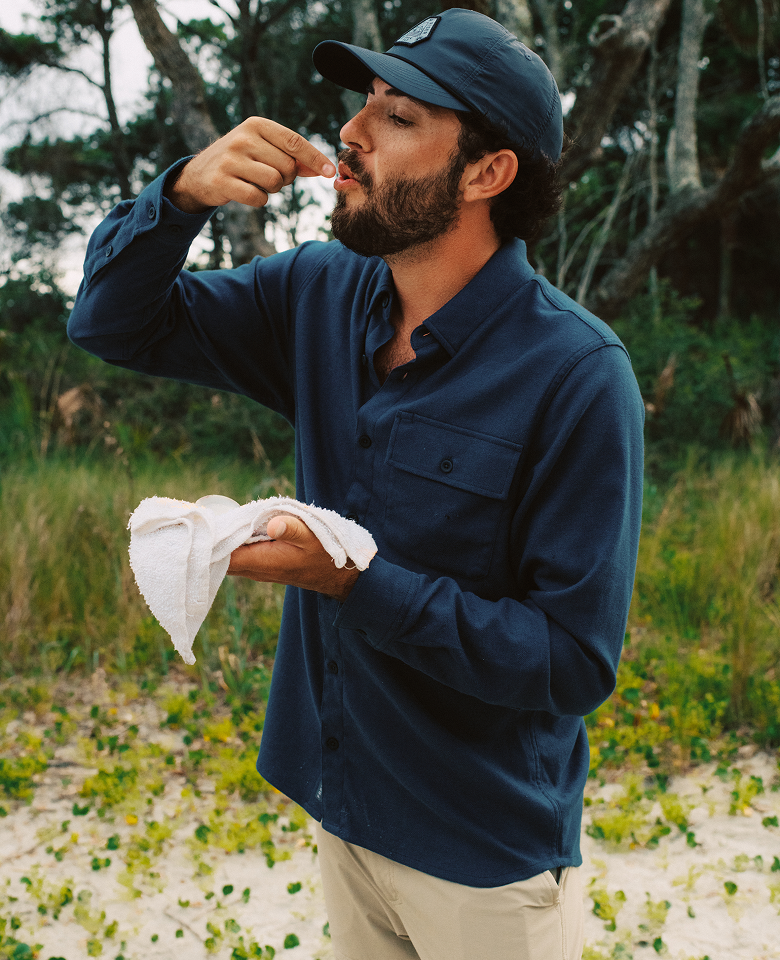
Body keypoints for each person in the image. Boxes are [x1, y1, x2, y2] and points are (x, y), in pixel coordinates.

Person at [68, 9, 644, 959]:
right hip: (341, 803)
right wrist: (179, 196)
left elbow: (572, 662)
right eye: (366, 100)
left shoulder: (578, 375)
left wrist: (352, 581)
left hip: (482, 853)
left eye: (400, 116)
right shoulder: (319, 292)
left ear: (487, 174)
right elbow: (113, 323)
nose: (352, 131)